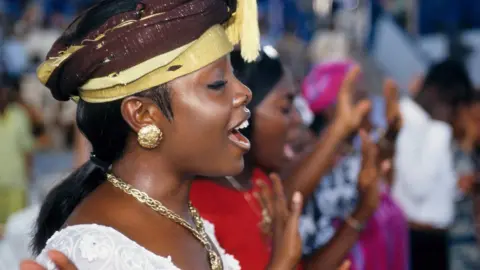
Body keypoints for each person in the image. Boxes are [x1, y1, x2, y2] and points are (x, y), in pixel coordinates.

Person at [19, 0, 304, 269]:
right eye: (218, 84)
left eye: (234, 78)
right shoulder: (94, 254)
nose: (244, 93)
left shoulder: (185, 218)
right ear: (142, 115)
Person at [190, 47, 379, 270]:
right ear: (242, 110)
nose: (298, 119)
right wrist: (338, 130)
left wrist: (364, 209)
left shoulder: (257, 183)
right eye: (286, 108)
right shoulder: (200, 206)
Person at [298, 61, 409, 270]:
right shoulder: (309, 158)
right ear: (331, 109)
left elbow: (382, 177)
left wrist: (392, 134)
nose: (368, 106)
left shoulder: (352, 154)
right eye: (359, 99)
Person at [392, 58, 475, 270]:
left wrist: (457, 187)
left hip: (435, 239)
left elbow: (436, 188)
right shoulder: (405, 120)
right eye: (452, 104)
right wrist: (441, 128)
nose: (453, 114)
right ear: (438, 92)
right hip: (417, 238)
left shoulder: (428, 125)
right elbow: (418, 187)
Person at [0, 76, 34, 233]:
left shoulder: (19, 115)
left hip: (16, 183)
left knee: (15, 230)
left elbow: (27, 150)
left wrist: (29, 174)